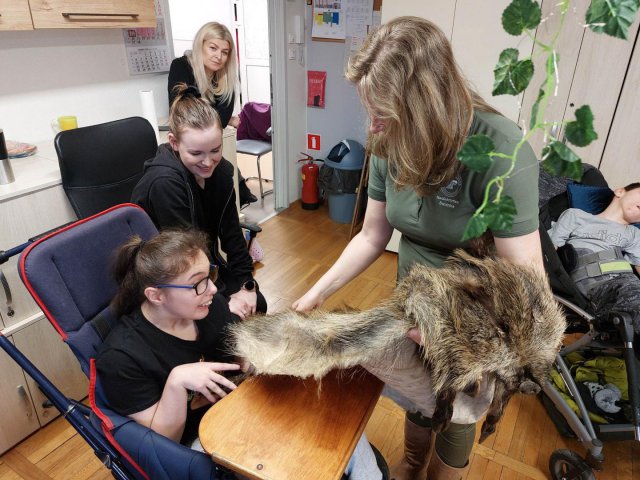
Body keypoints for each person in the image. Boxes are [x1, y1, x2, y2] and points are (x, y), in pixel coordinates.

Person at [292, 16, 544, 480]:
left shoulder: (502, 152)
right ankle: (411, 464)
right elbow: (372, 234)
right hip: (412, 301)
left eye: (385, 115)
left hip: (475, 318)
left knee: (455, 404)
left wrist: (461, 335)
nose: (374, 126)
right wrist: (316, 294)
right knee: (417, 390)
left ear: (428, 103)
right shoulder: (387, 138)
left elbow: (528, 292)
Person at [96, 229, 385, 479]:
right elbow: (163, 443)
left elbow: (243, 358)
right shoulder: (123, 357)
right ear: (156, 296)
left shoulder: (209, 307)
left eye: (210, 274)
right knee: (309, 453)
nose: (212, 288)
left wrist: (285, 350)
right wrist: (176, 381)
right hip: (202, 440)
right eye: (198, 283)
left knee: (334, 415)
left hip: (241, 404)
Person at [132, 83, 267, 319]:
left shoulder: (222, 172)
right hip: (170, 281)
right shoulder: (164, 184)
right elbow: (184, 260)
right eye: (196, 154)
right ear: (174, 143)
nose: (208, 162)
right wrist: (223, 304)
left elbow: (232, 235)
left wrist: (247, 286)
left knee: (257, 303)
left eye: (215, 150)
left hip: (202, 270)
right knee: (231, 320)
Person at [168, 21, 257, 207]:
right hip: (192, 143)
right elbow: (183, 110)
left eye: (225, 52)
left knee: (222, 178)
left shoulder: (226, 78)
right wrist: (223, 117)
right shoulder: (181, 66)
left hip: (210, 143)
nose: (219, 56)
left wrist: (223, 117)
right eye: (213, 48)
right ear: (201, 44)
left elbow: (221, 120)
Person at [549, 183, 640, 332]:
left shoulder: (634, 234)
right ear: (620, 191)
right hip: (596, 286)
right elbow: (549, 250)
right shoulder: (576, 216)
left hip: (628, 285)